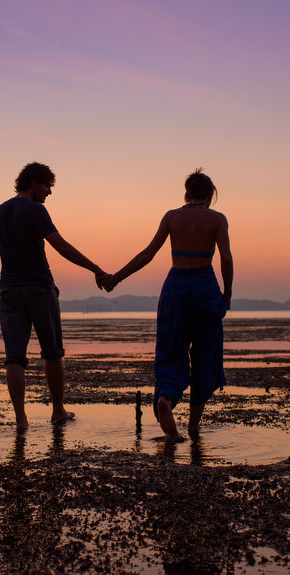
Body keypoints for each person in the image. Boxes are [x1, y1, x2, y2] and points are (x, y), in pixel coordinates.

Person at [103, 168, 233, 440]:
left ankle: (165, 398)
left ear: (186, 194)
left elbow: (148, 253)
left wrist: (116, 277)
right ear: (210, 195)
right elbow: (227, 259)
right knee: (205, 357)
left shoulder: (172, 217)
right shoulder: (217, 219)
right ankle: (194, 426)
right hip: (205, 288)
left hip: (175, 289)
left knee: (171, 352)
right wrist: (227, 294)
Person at [0, 162, 108, 431]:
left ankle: (21, 419)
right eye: (48, 185)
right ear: (35, 183)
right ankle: (58, 411)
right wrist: (96, 269)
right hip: (39, 289)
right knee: (52, 353)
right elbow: (60, 246)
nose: (49, 192)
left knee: (14, 358)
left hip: (9, 291)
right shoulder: (36, 210)